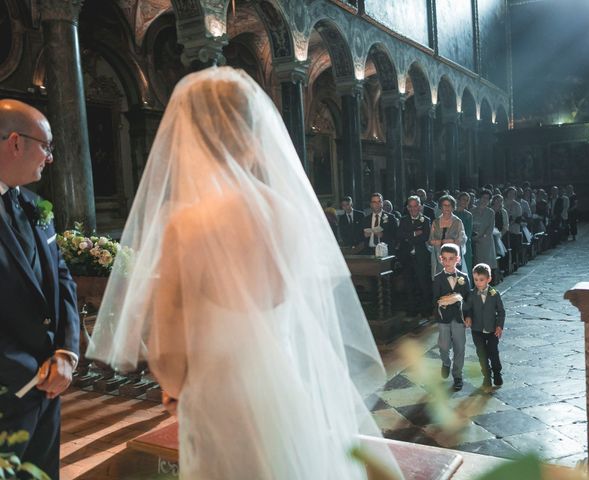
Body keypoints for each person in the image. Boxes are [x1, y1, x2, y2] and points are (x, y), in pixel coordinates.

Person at [86, 68, 401, 479]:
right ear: (257, 136)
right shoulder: (290, 214)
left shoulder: (185, 225)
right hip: (287, 395)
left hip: (223, 409)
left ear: (191, 138)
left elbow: (168, 355)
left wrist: (177, 389)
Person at [0, 99, 80, 479]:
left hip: (50, 384)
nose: (50, 158)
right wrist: (27, 373)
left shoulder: (32, 204)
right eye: (45, 146)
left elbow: (61, 278)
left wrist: (65, 352)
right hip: (8, 387)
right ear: (15, 142)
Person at [432, 244, 471, 391]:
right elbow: (435, 299)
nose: (448, 262)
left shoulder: (464, 278)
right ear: (440, 259)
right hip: (444, 318)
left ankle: (457, 375)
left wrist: (468, 316)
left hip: (459, 318)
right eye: (445, 259)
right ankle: (446, 362)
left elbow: (468, 299)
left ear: (458, 259)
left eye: (451, 259)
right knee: (443, 346)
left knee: (459, 347)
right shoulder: (438, 278)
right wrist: (443, 302)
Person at [464, 264, 505, 390]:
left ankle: (497, 373)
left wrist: (499, 326)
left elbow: (501, 312)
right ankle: (486, 376)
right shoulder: (471, 294)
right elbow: (468, 309)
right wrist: (468, 317)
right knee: (481, 353)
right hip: (477, 329)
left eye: (481, 280)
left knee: (493, 352)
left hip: (492, 329)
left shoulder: (494, 294)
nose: (478, 283)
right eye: (475, 279)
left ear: (488, 279)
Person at [396, 196, 431, 318]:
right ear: (407, 208)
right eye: (410, 206)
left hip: (421, 256)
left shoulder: (425, 220)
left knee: (423, 283)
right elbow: (400, 235)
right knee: (409, 284)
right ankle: (412, 309)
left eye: (415, 206)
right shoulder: (403, 219)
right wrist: (415, 232)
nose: (413, 209)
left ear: (420, 206)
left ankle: (425, 310)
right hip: (407, 257)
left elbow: (425, 236)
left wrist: (409, 236)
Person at [429, 195, 467, 278]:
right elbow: (430, 240)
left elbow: (463, 239)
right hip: (439, 257)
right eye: (444, 205)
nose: (447, 207)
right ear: (440, 207)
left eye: (449, 205)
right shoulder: (435, 222)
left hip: (453, 258)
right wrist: (439, 242)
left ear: (453, 207)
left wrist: (452, 241)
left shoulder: (457, 222)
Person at [470, 189, 498, 274]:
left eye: (487, 198)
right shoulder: (472, 211)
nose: (484, 200)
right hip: (473, 240)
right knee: (475, 263)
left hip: (485, 241)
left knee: (485, 265)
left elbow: (490, 228)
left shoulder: (490, 212)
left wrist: (480, 237)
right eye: (483, 198)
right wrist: (473, 237)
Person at [455, 192, 474, 274]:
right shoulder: (452, 213)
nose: (465, 202)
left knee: (466, 266)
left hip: (465, 244)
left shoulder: (468, 215)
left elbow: (468, 232)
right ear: (458, 200)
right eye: (463, 199)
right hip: (453, 242)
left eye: (467, 200)